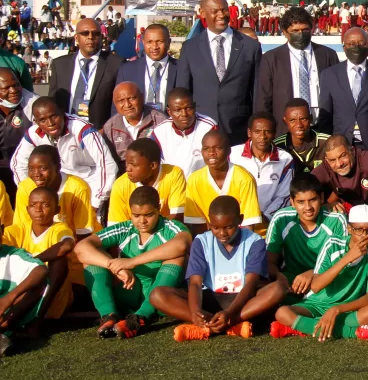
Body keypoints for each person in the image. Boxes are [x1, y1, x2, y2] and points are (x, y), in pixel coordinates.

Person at [150, 196, 286, 342]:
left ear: (240, 220)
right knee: (157, 294)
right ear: (209, 224)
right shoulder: (201, 241)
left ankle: (222, 323)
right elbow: (195, 283)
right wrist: (196, 312)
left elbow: (251, 283)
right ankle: (209, 323)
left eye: (229, 227)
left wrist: (229, 313)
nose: (222, 233)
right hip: (209, 297)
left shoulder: (255, 241)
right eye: (216, 228)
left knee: (278, 289)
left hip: (242, 301)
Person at [75, 186, 190, 339]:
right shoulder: (125, 229)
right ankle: (109, 315)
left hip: (159, 297)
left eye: (149, 215)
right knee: (93, 261)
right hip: (128, 290)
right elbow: (81, 248)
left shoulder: (170, 227)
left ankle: (140, 318)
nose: (142, 221)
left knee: (177, 256)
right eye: (136, 215)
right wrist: (114, 266)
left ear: (159, 209)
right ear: (130, 212)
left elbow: (182, 244)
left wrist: (132, 262)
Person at [269, 203, 368, 342]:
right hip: (316, 305)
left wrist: (336, 309)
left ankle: (302, 327)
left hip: (345, 309)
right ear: (349, 229)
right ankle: (353, 332)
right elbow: (316, 286)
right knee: (282, 312)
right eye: (359, 230)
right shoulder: (333, 243)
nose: (365, 235)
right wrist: (348, 258)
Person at [175, 0, 262, 145]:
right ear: (202, 13)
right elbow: (183, 90)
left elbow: (257, 91)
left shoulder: (250, 46)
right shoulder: (190, 47)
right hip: (200, 129)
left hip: (238, 129)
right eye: (215, 11)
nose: (221, 15)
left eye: (224, 10)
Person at [12, 97, 117, 211]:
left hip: (88, 184)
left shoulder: (82, 129)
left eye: (54, 116)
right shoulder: (33, 133)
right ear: (36, 122)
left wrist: (96, 202)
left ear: (62, 112)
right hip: (57, 186)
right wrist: (33, 193)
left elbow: (107, 165)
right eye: (43, 120)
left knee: (86, 228)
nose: (50, 123)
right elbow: (18, 164)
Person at [255, 7, 340, 136]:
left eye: (305, 30)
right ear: (285, 32)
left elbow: (338, 94)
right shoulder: (271, 59)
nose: (301, 34)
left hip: (323, 129)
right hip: (284, 132)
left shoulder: (328, 55)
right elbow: (264, 100)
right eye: (295, 31)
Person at [265, 174, 348, 302]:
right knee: (269, 292)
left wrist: (313, 273)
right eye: (301, 202)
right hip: (292, 283)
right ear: (292, 202)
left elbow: (344, 264)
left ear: (321, 198)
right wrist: (277, 275)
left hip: (327, 283)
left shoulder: (337, 220)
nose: (308, 207)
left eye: (313, 200)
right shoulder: (281, 218)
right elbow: (270, 261)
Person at [318, 27, 368, 156]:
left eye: (362, 43)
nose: (356, 47)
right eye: (351, 44)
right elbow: (325, 117)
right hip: (341, 146)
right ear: (344, 47)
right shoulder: (329, 75)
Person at [2, 187, 74, 319]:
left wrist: (32, 264)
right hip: (20, 291)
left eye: (45, 205)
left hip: (48, 297)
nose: (38, 209)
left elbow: (67, 245)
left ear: (57, 210)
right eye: (33, 205)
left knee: (59, 261)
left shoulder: (59, 229)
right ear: (27, 209)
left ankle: (38, 318)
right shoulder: (17, 229)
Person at [184, 130, 262, 236]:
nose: (211, 153)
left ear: (228, 151)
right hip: (217, 237)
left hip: (248, 238)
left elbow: (249, 225)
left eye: (218, 148)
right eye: (206, 149)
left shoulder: (244, 179)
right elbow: (198, 224)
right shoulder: (194, 180)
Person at [48, 18, 123, 129]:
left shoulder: (116, 64)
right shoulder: (59, 64)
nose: (90, 37)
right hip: (66, 131)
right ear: (76, 38)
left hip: (100, 132)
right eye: (85, 33)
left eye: (96, 33)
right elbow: (53, 100)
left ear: (101, 37)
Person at [230, 112, 295, 223]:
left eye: (268, 132)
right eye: (257, 132)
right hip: (237, 221)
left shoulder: (285, 159)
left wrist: (266, 216)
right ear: (249, 133)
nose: (263, 137)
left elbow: (284, 195)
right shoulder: (232, 155)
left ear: (274, 134)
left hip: (268, 221)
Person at [107, 138, 186, 224]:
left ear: (152, 165)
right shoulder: (120, 185)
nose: (128, 169)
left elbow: (177, 217)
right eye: (127, 163)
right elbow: (117, 226)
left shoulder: (173, 174)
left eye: (133, 164)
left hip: (168, 233)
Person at [151, 88, 218, 177]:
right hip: (172, 187)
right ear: (169, 111)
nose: (184, 114)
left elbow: (220, 161)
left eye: (188, 108)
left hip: (200, 185)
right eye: (178, 110)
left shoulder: (209, 127)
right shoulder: (159, 132)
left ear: (194, 106)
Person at [114, 23, 177, 114]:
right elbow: (117, 103)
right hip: (137, 126)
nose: (154, 47)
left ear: (169, 42)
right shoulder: (127, 70)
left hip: (169, 125)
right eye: (149, 42)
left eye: (159, 41)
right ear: (143, 42)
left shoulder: (180, 68)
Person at [102, 82, 168, 166]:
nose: (127, 105)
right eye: (121, 100)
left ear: (142, 97)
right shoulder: (110, 127)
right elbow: (109, 164)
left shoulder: (160, 121)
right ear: (115, 103)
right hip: (125, 176)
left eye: (132, 98)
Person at [0, 240, 48, 356]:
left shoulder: (13, 254)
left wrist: (9, 298)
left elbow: (40, 270)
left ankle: (4, 330)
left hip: (6, 315)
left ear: (1, 231)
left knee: (39, 283)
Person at [0, 67, 38, 198]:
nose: (14, 90)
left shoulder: (33, 105)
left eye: (16, 85)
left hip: (25, 168)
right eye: (6, 88)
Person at [272, 99, 331, 175]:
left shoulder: (327, 142)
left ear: (310, 119)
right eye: (292, 120)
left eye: (303, 119)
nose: (299, 125)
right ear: (285, 121)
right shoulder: (277, 147)